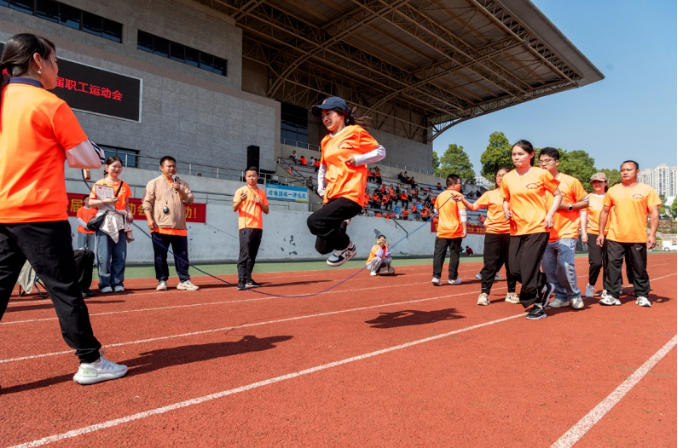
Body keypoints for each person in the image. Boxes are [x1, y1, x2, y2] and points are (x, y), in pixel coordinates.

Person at [0, 33, 126, 384]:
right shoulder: (48, 103)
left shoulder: (3, 98)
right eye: (55, 61)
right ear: (38, 61)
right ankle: (90, 361)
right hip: (39, 212)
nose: (58, 68)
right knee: (65, 289)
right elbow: (84, 157)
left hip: (3, 211)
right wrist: (97, 153)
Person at [307, 96, 385, 266]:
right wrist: (321, 189)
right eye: (322, 116)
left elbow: (381, 152)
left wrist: (359, 159)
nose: (325, 118)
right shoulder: (326, 141)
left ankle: (347, 246)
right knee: (322, 248)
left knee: (314, 222)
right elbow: (323, 167)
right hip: (331, 194)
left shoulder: (355, 132)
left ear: (342, 114)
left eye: (329, 114)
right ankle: (342, 224)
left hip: (351, 193)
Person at [500, 140, 562, 320]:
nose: (516, 157)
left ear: (531, 155)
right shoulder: (508, 177)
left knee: (528, 268)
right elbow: (506, 198)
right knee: (513, 270)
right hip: (516, 229)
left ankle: (537, 304)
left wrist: (550, 214)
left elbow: (558, 195)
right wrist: (506, 209)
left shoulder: (541, 174)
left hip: (537, 227)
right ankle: (544, 284)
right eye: (514, 154)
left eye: (520, 154)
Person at [596, 161, 660, 307]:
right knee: (612, 266)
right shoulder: (613, 190)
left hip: (637, 236)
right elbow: (604, 212)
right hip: (614, 236)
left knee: (638, 267)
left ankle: (642, 295)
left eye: (628, 170)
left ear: (637, 172)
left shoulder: (647, 190)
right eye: (622, 170)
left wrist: (652, 235)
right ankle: (612, 295)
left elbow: (654, 214)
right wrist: (601, 233)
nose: (625, 172)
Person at [537, 148, 589, 310]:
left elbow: (586, 201)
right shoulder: (536, 183)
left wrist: (569, 206)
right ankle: (560, 296)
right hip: (545, 232)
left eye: (547, 160)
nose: (543, 164)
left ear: (557, 162)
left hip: (567, 231)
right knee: (549, 269)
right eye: (541, 161)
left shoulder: (570, 181)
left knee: (565, 265)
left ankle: (574, 295)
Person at [458, 168, 518, 305]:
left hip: (512, 233)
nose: (501, 178)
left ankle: (511, 292)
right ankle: (484, 293)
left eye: (504, 175)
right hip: (493, 233)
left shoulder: (516, 194)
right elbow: (473, 207)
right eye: (498, 175)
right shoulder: (489, 194)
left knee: (512, 265)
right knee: (490, 264)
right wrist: (462, 199)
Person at [142, 156, 199, 292]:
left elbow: (189, 200)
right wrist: (149, 219)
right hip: (160, 226)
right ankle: (162, 280)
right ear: (161, 168)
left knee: (182, 256)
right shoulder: (153, 183)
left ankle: (184, 280)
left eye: (174, 166)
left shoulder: (182, 183)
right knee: (160, 256)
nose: (172, 168)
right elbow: (146, 202)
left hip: (179, 227)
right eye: (169, 166)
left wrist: (179, 190)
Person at [89, 156, 133, 293]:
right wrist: (106, 201)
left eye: (119, 166)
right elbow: (90, 202)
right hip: (104, 220)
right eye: (114, 166)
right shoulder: (99, 183)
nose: (117, 169)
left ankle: (117, 282)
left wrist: (129, 213)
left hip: (120, 221)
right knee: (104, 254)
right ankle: (104, 283)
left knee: (120, 254)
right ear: (106, 168)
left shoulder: (124, 185)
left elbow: (127, 203)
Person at [233, 167, 270, 290]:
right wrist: (241, 200)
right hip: (245, 226)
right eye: (249, 176)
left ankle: (248, 279)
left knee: (252, 255)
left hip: (258, 227)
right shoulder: (241, 191)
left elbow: (266, 211)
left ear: (258, 176)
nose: (251, 178)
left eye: (253, 175)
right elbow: (234, 208)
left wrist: (259, 202)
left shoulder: (262, 193)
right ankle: (241, 281)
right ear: (245, 177)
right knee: (244, 255)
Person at [431, 174, 466, 286]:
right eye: (459, 183)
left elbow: (436, 211)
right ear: (454, 184)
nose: (460, 185)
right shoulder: (458, 195)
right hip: (455, 230)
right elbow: (462, 213)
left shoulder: (440, 196)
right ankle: (452, 278)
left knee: (438, 254)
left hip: (442, 229)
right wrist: (465, 228)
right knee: (454, 254)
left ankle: (436, 277)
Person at [581, 172, 610, 299]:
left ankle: (607, 288)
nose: (597, 184)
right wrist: (583, 232)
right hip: (593, 232)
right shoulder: (588, 197)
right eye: (594, 182)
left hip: (610, 233)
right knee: (596, 262)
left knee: (610, 263)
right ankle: (591, 285)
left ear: (606, 183)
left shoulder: (611, 196)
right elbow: (583, 215)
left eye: (600, 182)